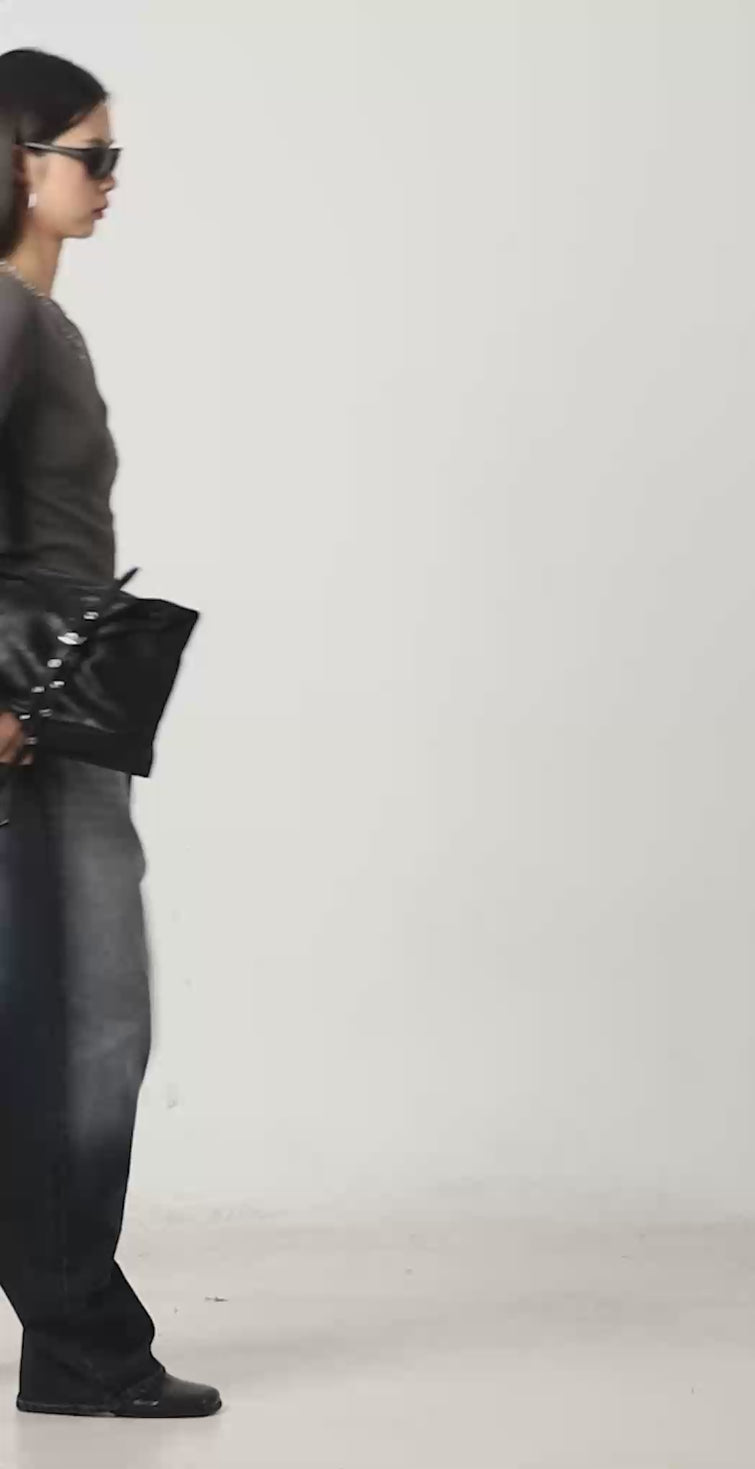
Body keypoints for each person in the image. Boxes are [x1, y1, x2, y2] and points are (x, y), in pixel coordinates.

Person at [0, 48, 221, 1418]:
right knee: (84, 1024)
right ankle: (84, 1342)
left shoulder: (36, 320)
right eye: (92, 155)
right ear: (16, 162)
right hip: (28, 716)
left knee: (73, 1021)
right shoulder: (7, 318)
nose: (111, 179)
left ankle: (74, 1337)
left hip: (58, 704)